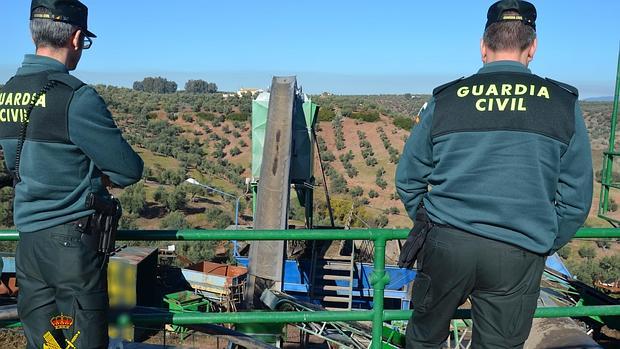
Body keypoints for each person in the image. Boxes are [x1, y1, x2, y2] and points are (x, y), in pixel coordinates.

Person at [396, 0, 593, 348]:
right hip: (519, 250)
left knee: (424, 340)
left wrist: (432, 226)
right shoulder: (562, 104)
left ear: (483, 46)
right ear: (532, 47)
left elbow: (409, 178)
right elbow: (575, 198)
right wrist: (543, 240)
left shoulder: (448, 98)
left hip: (447, 244)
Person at [0, 1, 143, 347]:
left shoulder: (6, 94)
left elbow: (14, 164)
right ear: (77, 38)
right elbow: (128, 169)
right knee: (83, 339)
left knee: (46, 342)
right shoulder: (76, 97)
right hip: (72, 249)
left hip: (29, 244)